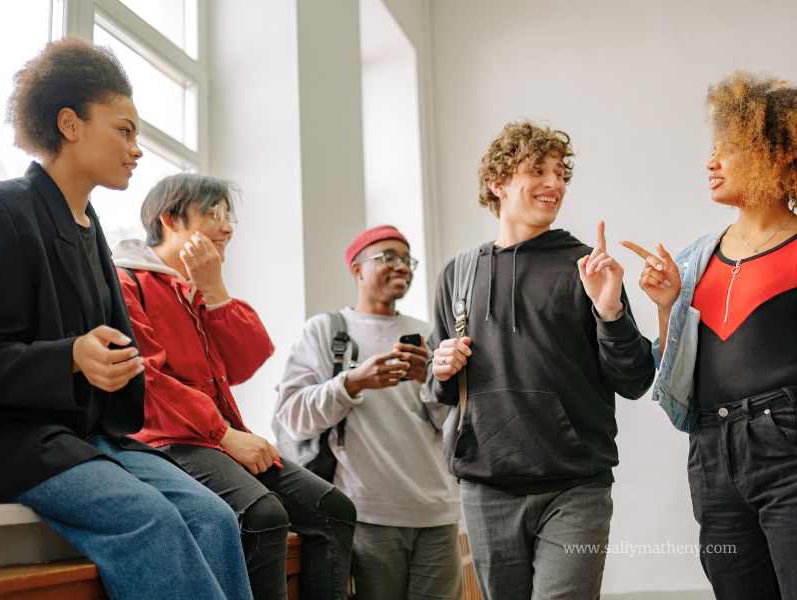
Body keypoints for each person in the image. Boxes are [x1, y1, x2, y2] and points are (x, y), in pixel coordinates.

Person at [0, 38, 253, 600]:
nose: (137, 149)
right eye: (125, 130)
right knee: (153, 523)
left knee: (215, 518)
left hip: (95, 438)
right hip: (22, 439)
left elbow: (124, 361)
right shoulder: (6, 210)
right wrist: (68, 356)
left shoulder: (93, 231)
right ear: (69, 124)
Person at [426, 120, 655, 599]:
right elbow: (442, 390)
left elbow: (634, 379)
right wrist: (440, 369)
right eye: (537, 170)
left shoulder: (586, 269)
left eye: (560, 173)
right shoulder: (458, 274)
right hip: (486, 485)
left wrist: (610, 311)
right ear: (498, 182)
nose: (554, 183)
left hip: (575, 487)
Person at [113, 173, 357, 600]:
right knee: (263, 513)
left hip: (215, 436)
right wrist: (225, 435)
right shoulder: (126, 281)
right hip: (168, 440)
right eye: (214, 213)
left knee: (334, 510)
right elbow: (145, 381)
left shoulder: (193, 290)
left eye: (230, 217)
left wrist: (215, 288)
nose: (226, 227)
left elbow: (245, 362)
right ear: (170, 219)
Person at [621, 72, 797, 600]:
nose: (711, 162)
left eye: (730, 149)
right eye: (712, 149)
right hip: (711, 452)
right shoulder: (696, 257)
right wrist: (667, 305)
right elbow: (676, 368)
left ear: (779, 156)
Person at [276, 225, 462, 600]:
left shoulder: (429, 334)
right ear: (357, 269)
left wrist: (430, 383)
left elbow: (456, 426)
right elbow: (291, 416)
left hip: (438, 512)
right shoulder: (324, 331)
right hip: (368, 514)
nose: (402, 267)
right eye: (388, 257)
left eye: (407, 259)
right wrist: (352, 383)